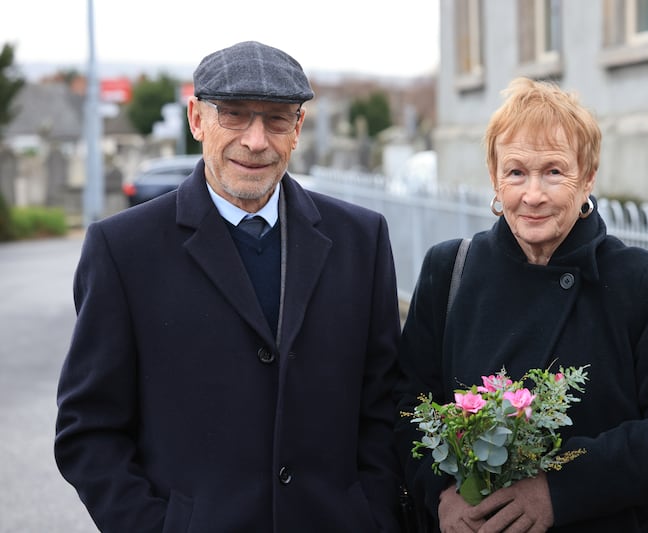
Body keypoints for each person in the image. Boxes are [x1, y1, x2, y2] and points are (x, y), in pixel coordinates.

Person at [55, 41, 402, 532]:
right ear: (197, 119)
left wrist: (371, 515)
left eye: (277, 119)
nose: (256, 140)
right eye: (234, 116)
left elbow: (384, 404)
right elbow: (88, 429)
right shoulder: (123, 250)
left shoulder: (361, 240)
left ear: (298, 128)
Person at [394, 78, 648, 532]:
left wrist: (558, 490)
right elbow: (406, 409)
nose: (533, 195)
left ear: (587, 176)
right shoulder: (450, 271)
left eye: (554, 171)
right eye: (515, 172)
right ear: (494, 176)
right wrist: (440, 499)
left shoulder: (642, 283)